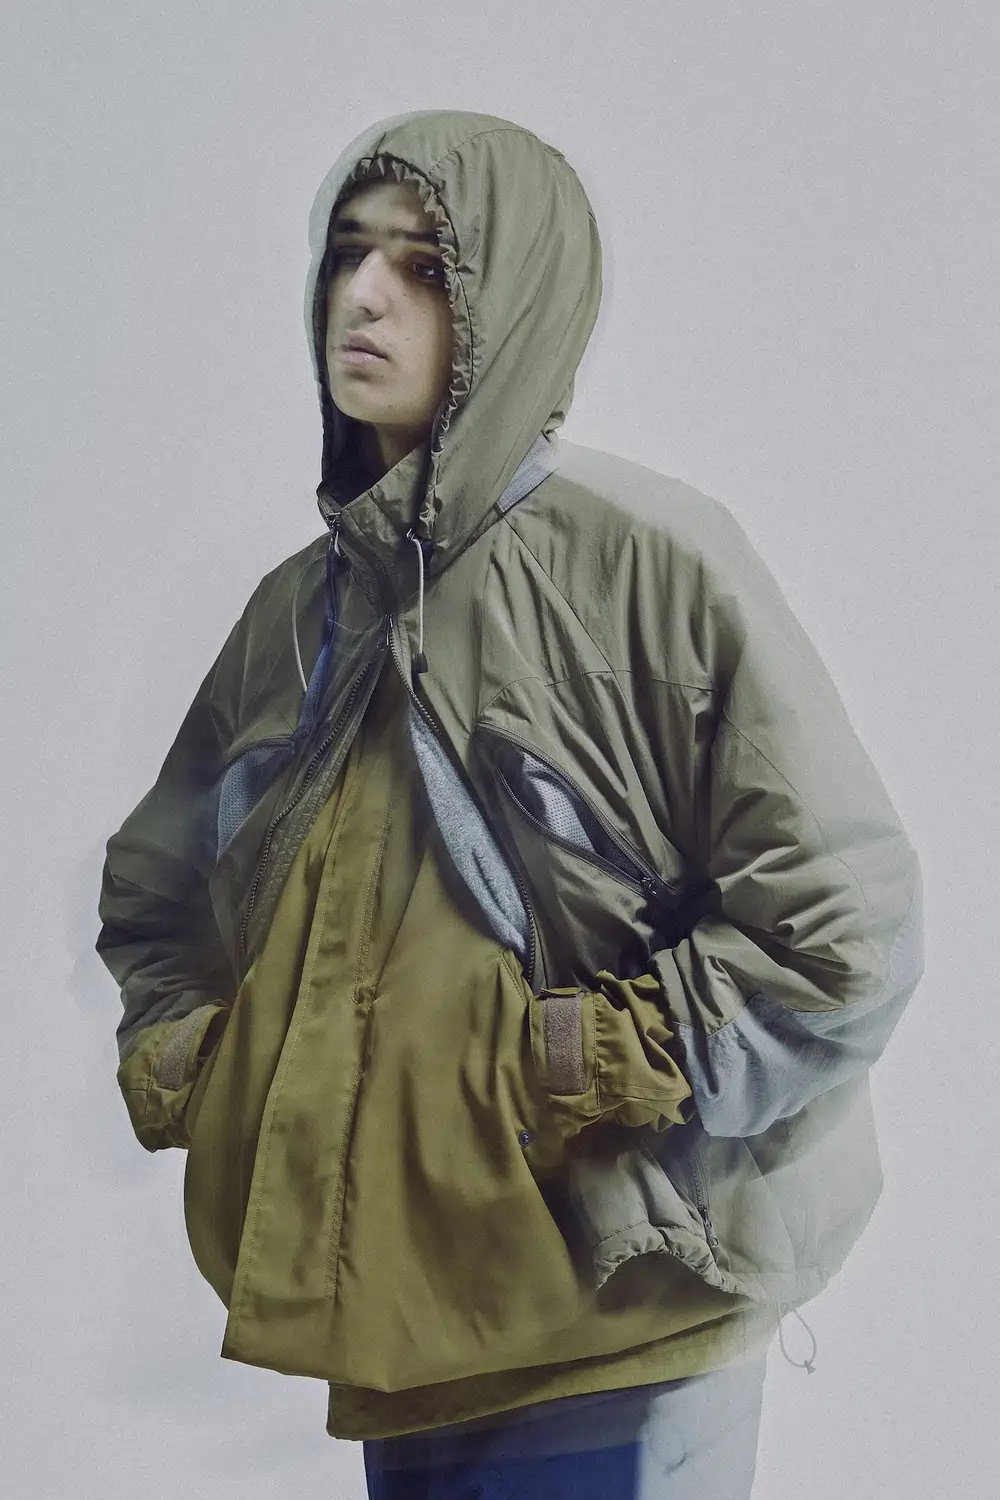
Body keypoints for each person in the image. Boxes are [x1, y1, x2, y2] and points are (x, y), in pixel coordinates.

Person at [96, 109, 925, 1499]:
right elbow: (156, 893)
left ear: (510, 307)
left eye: (423, 268)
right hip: (400, 1333)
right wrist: (196, 1060)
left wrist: (599, 1056)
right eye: (348, 256)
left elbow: (842, 929)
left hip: (624, 1321)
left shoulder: (645, 568)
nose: (363, 297)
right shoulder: (300, 613)